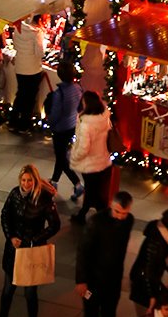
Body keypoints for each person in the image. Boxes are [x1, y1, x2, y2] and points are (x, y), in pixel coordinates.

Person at [0, 165, 61, 317]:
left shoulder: (44, 199)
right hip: (14, 250)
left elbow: (55, 225)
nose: (26, 184)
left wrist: (33, 239)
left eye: (29, 180)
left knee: (30, 293)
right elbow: (5, 215)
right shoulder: (15, 194)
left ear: (35, 180)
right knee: (8, 289)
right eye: (23, 180)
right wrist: (10, 237)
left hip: (32, 251)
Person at [74, 190, 135, 317]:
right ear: (111, 204)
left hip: (113, 283)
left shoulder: (128, 221)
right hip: (93, 282)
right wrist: (81, 280)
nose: (120, 217)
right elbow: (83, 251)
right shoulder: (96, 223)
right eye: (117, 212)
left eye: (124, 213)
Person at [129, 207, 168, 316]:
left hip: (150, 281)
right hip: (142, 282)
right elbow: (148, 270)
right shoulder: (156, 241)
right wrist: (152, 296)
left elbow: (166, 259)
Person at [69, 90, 113, 222]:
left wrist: (74, 156)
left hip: (90, 164)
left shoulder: (85, 124)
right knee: (93, 190)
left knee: (92, 191)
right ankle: (85, 213)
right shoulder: (104, 116)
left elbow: (83, 148)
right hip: (102, 159)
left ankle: (98, 217)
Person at [45, 60, 84, 198]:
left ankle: (77, 184)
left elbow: (55, 114)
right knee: (61, 156)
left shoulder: (58, 94)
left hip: (60, 128)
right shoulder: (78, 88)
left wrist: (51, 123)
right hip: (71, 126)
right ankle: (54, 181)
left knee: (61, 157)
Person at [7, 15, 46, 134]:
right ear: (39, 20)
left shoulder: (17, 29)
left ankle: (13, 121)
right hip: (33, 69)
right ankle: (24, 125)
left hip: (20, 67)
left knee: (20, 94)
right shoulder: (36, 33)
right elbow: (40, 53)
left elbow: (15, 45)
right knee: (29, 98)